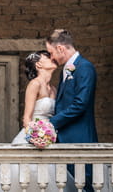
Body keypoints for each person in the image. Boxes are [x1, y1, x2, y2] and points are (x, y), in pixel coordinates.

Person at [0, 50, 76, 192]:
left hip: (50, 138)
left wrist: (48, 136)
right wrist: (36, 136)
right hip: (32, 136)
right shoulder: (34, 84)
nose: (52, 59)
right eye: (47, 57)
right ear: (39, 64)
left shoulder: (53, 89)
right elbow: (26, 119)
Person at [46, 29, 98, 192]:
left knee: (84, 185)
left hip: (80, 138)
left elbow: (80, 104)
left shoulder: (85, 67)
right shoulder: (65, 71)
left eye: (51, 52)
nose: (51, 57)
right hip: (64, 140)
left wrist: (51, 123)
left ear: (61, 48)